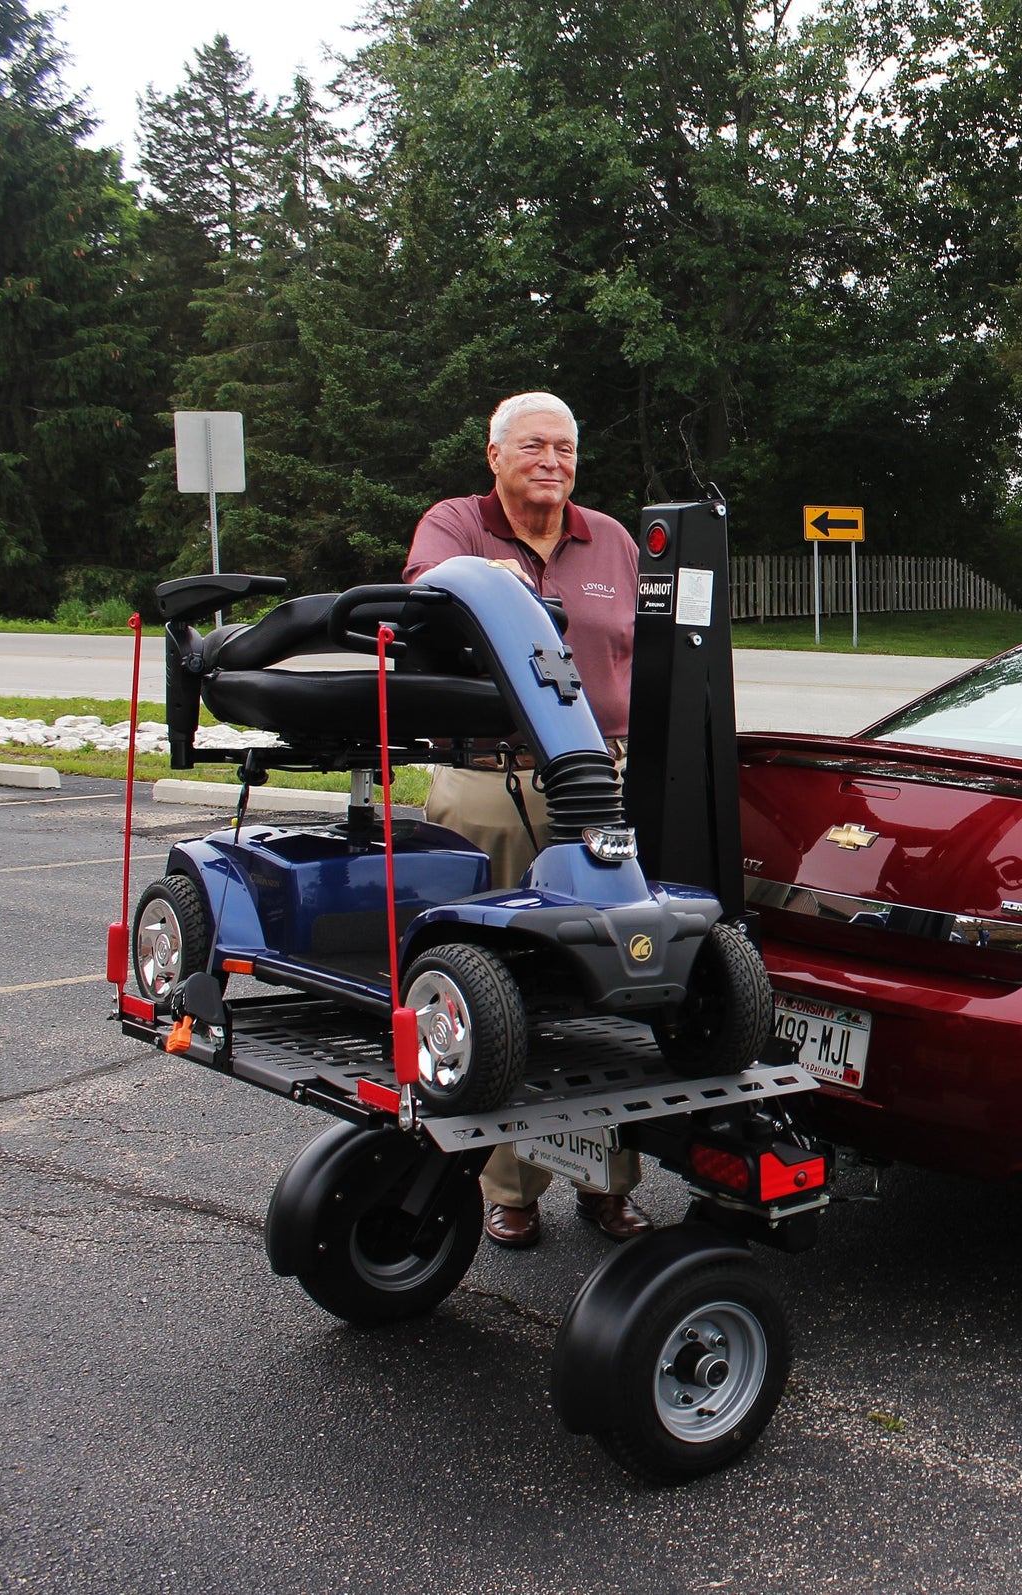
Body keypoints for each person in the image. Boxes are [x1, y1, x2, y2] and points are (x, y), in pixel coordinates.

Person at [403, 391, 650, 1248]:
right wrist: (483, 582)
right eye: (534, 445)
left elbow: (644, 650)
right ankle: (512, 1188)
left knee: (610, 971)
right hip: (487, 782)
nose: (552, 460)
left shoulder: (611, 540)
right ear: (495, 454)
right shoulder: (456, 527)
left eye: (566, 447)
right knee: (496, 981)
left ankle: (608, 1180)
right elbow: (420, 603)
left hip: (600, 787)